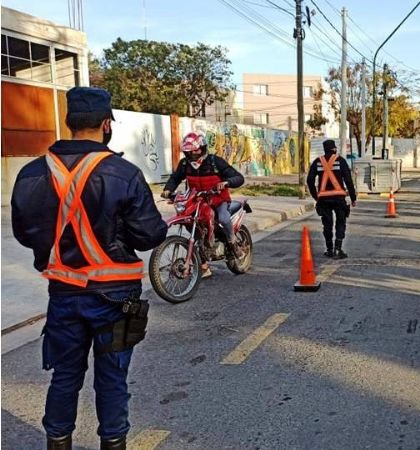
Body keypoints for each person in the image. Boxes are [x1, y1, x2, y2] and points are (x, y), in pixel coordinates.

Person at [11, 87, 168, 450]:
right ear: (105, 123)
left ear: (68, 122)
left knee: (65, 375)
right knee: (112, 378)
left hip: (64, 296)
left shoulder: (32, 173)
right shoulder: (123, 173)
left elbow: (24, 232)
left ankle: (58, 441)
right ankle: (113, 441)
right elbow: (149, 235)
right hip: (115, 300)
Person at [162, 132, 245, 277]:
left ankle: (232, 243)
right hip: (197, 201)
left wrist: (226, 182)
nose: (193, 154)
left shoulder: (215, 162)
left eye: (196, 150)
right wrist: (168, 190)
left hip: (218, 200)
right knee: (193, 226)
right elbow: (175, 178)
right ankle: (204, 266)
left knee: (224, 219)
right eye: (189, 152)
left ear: (203, 148)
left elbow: (238, 177)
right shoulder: (184, 164)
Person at [306, 139, 357, 259]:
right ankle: (338, 249)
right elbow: (348, 180)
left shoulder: (318, 162)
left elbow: (310, 180)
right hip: (339, 198)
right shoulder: (340, 161)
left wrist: (316, 196)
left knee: (327, 224)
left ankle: (329, 250)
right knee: (340, 222)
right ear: (334, 149)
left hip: (323, 199)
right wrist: (353, 197)